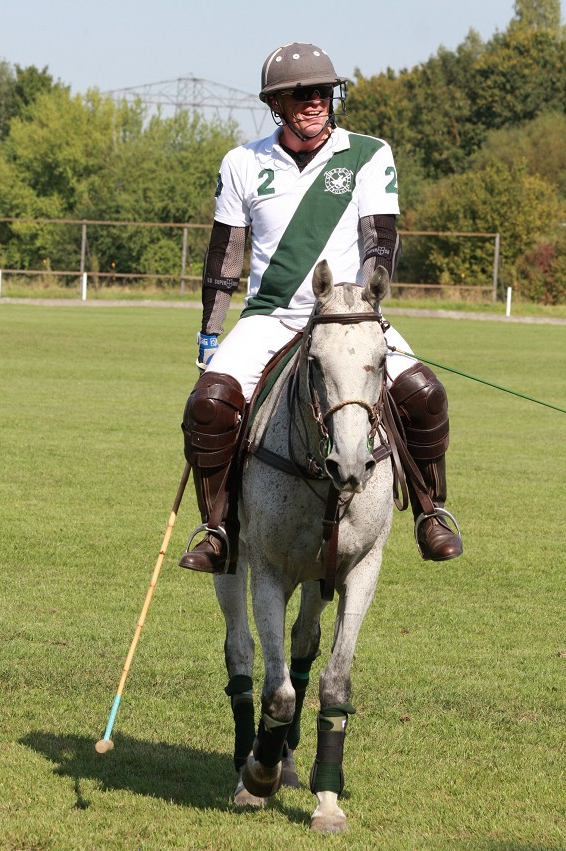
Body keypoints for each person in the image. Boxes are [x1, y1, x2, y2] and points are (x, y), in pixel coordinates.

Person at [179, 42, 463, 574]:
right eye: (301, 93)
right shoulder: (243, 162)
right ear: (277, 104)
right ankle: (216, 528)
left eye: (324, 92)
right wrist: (209, 334)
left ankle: (430, 510)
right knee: (208, 407)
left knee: (425, 396)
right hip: (270, 316)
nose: (316, 102)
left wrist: (364, 304)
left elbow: (380, 240)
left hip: (348, 316)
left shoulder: (368, 154)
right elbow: (225, 257)